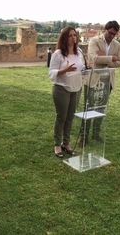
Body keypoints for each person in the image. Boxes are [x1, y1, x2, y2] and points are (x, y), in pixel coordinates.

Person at [80, 21, 120, 145]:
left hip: (107, 81)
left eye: (114, 34)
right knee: (88, 108)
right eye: (110, 33)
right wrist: (112, 58)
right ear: (105, 30)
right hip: (93, 79)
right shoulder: (94, 41)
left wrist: (106, 58)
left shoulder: (117, 45)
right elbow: (94, 58)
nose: (112, 36)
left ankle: (96, 134)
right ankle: (84, 137)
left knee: (101, 108)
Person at [48, 26, 86, 158]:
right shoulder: (58, 54)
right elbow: (51, 73)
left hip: (77, 88)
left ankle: (66, 143)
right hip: (61, 88)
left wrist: (88, 68)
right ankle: (57, 144)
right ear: (64, 37)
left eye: (75, 35)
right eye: (70, 35)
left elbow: (82, 68)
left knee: (70, 118)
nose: (73, 38)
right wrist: (65, 70)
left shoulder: (79, 52)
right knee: (61, 117)